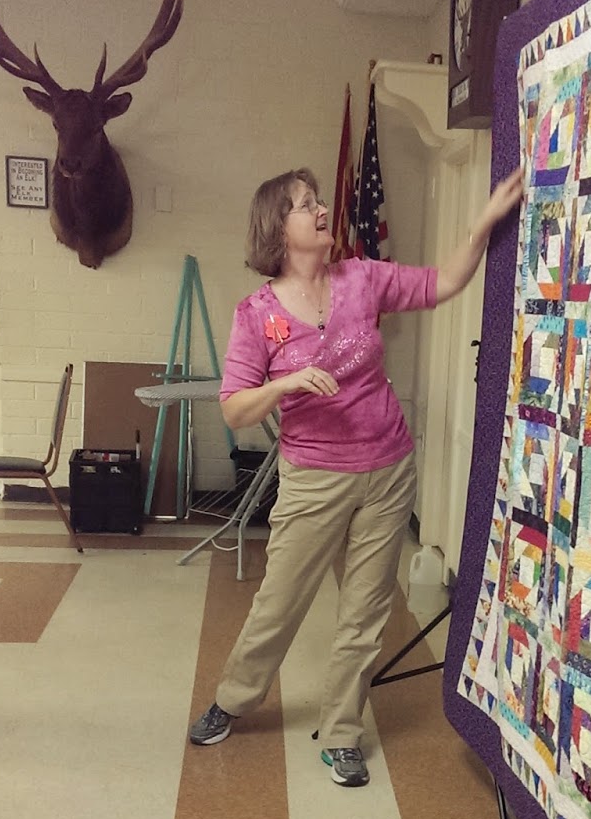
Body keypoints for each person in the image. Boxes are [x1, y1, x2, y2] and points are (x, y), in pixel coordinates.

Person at [189, 160, 524, 785]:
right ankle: (233, 699)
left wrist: (482, 224)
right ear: (277, 228)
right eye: (305, 203)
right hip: (314, 478)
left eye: (318, 199)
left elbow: (444, 282)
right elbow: (235, 408)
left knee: (366, 611)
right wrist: (285, 383)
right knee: (279, 602)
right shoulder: (256, 314)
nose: (322, 209)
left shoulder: (363, 278)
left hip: (388, 470)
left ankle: (342, 731)